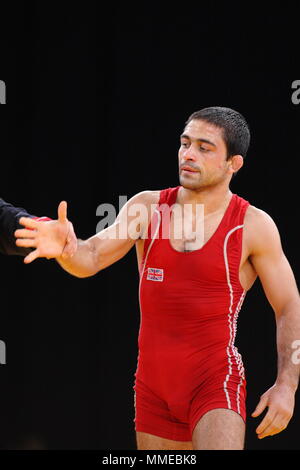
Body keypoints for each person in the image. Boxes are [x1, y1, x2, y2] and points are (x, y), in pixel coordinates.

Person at [14, 107, 300, 450]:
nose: (188, 155)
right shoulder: (146, 208)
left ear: (233, 164)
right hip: (153, 388)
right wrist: (63, 248)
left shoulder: (253, 225)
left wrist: (287, 385)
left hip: (214, 382)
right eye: (185, 143)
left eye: (204, 148)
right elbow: (90, 257)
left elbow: (288, 305)